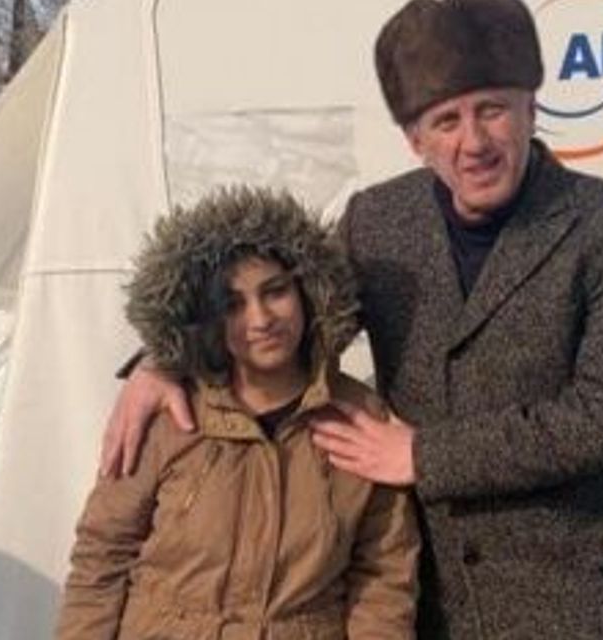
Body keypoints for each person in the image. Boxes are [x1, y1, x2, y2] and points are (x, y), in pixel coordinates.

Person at [101, 0, 603, 639]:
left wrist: (423, 455)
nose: (474, 141)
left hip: (579, 603)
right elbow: (289, 319)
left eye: (492, 110)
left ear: (531, 108)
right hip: (427, 601)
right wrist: (164, 361)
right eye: (446, 121)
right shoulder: (377, 220)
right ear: (414, 139)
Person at [58, 187, 419, 639]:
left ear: (308, 292)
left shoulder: (359, 416)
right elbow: (102, 558)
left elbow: (384, 574)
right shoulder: (168, 412)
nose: (261, 319)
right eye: (232, 305)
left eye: (275, 291)